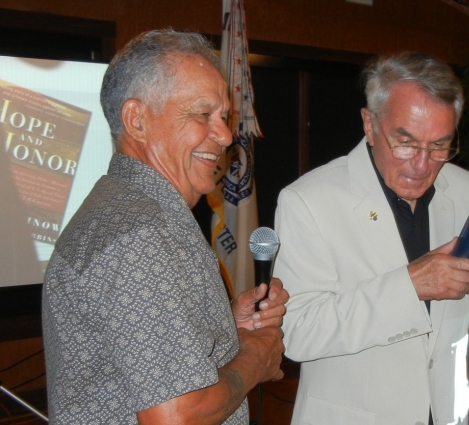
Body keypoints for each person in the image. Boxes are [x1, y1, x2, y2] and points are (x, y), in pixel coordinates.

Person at [273, 53, 469, 425]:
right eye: (405, 142)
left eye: (439, 146)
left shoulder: (467, 189)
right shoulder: (308, 200)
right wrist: (410, 286)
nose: (422, 165)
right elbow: (297, 333)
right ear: (370, 124)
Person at [42, 29, 288, 425]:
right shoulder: (140, 235)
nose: (226, 135)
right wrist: (255, 355)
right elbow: (176, 417)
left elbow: (140, 359)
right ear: (137, 120)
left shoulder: (126, 211)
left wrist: (228, 329)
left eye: (223, 117)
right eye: (202, 115)